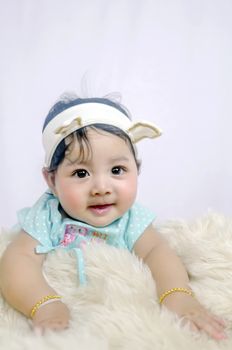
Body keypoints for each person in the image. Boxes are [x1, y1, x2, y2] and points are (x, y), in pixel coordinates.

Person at [0, 95, 226, 339]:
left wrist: (176, 294)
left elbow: (157, 252)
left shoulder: (130, 218)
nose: (101, 187)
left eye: (117, 170)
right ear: (52, 181)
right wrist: (44, 304)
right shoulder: (48, 215)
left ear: (136, 169)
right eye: (81, 173)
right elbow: (19, 258)